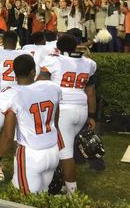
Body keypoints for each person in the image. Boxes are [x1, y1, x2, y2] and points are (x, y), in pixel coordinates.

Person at [0, 54, 63, 194]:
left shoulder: (12, 94)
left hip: (31, 153)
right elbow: (55, 120)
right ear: (33, 71)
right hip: (53, 151)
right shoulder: (51, 87)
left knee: (24, 199)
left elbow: (8, 135)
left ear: (15, 73)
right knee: (42, 195)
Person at [39, 34, 97, 195]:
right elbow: (91, 92)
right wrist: (92, 115)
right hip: (82, 109)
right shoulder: (89, 63)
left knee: (65, 153)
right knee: (64, 148)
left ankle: (72, 193)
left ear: (58, 47)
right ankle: (63, 184)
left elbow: (40, 82)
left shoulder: (54, 60)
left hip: (64, 110)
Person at [0, 31, 29, 166]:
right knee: (18, 136)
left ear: (3, 42)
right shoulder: (24, 55)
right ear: (17, 41)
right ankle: (19, 166)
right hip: (20, 97)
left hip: (3, 98)